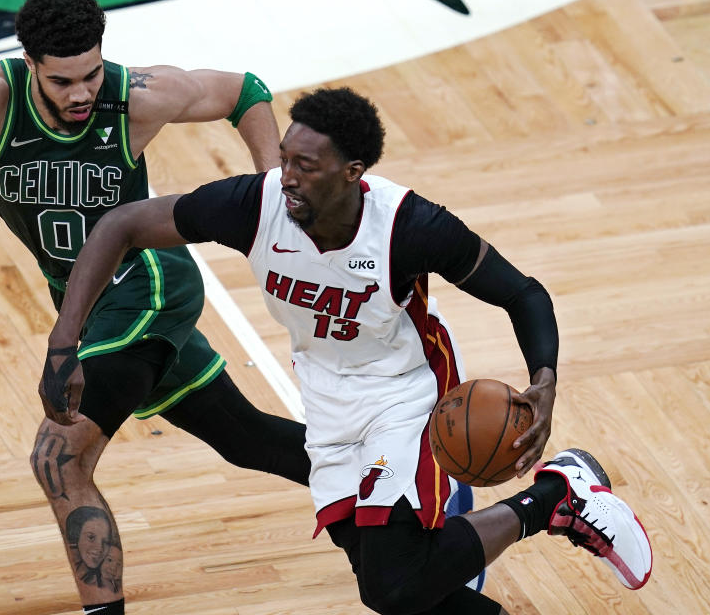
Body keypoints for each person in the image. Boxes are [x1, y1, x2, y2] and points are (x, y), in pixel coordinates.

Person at [46, 87, 654, 614]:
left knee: (392, 586)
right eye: (284, 158)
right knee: (399, 587)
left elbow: (522, 293)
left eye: (305, 166)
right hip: (328, 399)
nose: (285, 176)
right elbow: (120, 225)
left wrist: (543, 379)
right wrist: (64, 341)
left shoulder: (411, 226)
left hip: (408, 392)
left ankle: (552, 496)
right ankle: (545, 508)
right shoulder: (254, 206)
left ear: (351, 171)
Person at [0, 0, 312, 614]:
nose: (81, 93)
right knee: (247, 440)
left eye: (91, 74)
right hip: (88, 301)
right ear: (30, 66)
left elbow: (245, 91)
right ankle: (410, 495)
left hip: (148, 282)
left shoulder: (138, 95)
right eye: (63, 80)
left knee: (58, 458)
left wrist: (271, 190)